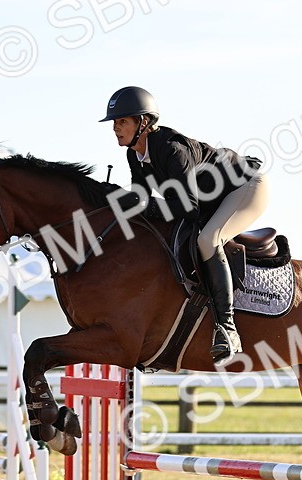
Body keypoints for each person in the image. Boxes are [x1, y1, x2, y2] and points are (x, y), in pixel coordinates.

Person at [100, 86, 269, 366]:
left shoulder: (171, 150)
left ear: (143, 122)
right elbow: (142, 201)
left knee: (208, 240)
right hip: (209, 200)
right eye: (115, 122)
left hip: (245, 187)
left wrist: (136, 203)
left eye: (122, 121)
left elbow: (187, 208)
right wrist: (112, 199)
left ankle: (227, 329)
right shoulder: (134, 155)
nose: (115, 128)